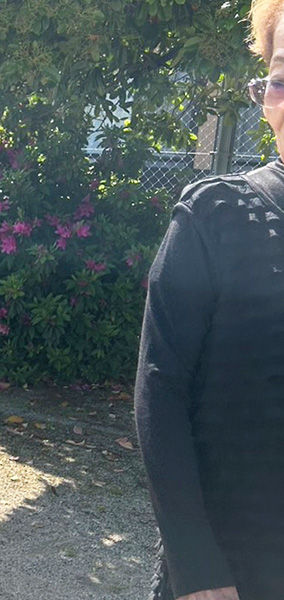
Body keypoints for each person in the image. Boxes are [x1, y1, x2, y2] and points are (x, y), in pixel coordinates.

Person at [135, 2, 284, 598]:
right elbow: (159, 390)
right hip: (233, 574)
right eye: (281, 75)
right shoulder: (215, 217)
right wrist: (197, 570)